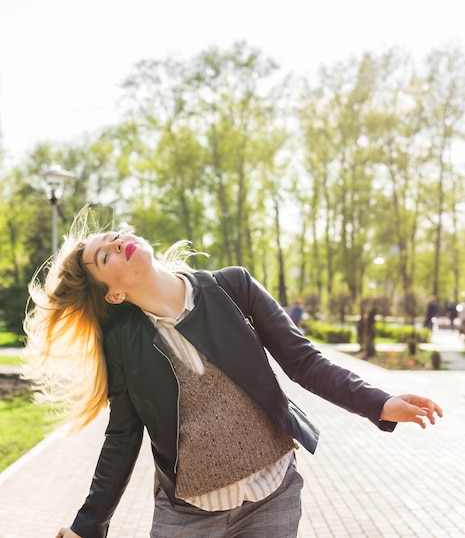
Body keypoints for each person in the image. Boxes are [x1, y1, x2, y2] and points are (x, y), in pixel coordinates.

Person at [23, 207, 442, 538]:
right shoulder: (122, 343)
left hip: (272, 498)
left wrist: (380, 402)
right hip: (187, 516)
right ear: (113, 294)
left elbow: (303, 361)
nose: (119, 244)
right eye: (105, 255)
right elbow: (123, 437)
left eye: (115, 238)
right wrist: (88, 524)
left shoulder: (231, 287)